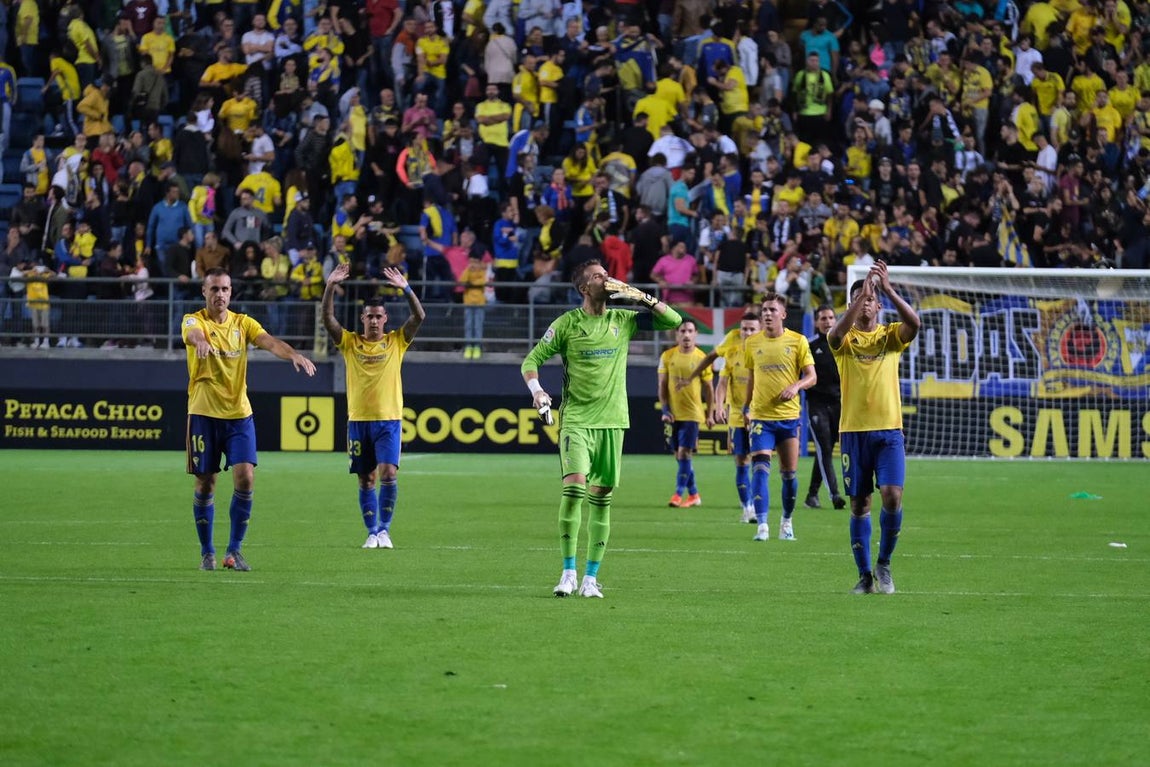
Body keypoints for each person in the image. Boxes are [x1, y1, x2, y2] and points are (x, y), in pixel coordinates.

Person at [522, 261, 683, 599]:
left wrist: (641, 297)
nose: (607, 279)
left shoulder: (623, 320)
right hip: (577, 419)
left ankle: (590, 579)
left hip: (613, 420)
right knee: (574, 489)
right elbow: (531, 361)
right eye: (599, 276)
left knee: (601, 499)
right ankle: (568, 572)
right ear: (585, 288)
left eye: (607, 274)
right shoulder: (567, 324)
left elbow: (674, 320)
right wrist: (538, 391)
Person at [183, 268, 317, 572]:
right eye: (214, 289)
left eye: (225, 289)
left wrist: (292, 354)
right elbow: (192, 334)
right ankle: (207, 552)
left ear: (231, 292)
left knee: (246, 477)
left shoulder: (243, 323)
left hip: (239, 415)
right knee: (206, 482)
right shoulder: (194, 320)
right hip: (203, 413)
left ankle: (234, 550)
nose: (220, 294)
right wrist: (199, 341)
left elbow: (269, 341)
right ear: (204, 292)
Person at [828, 261, 920, 594]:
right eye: (859, 299)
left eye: (870, 299)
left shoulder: (890, 336)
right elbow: (835, 334)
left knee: (892, 496)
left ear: (878, 306)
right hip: (853, 432)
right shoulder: (843, 340)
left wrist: (888, 289)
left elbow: (915, 323)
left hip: (889, 431)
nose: (865, 303)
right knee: (859, 504)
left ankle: (884, 564)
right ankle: (865, 576)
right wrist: (860, 295)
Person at [322, 262, 426, 550]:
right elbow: (327, 318)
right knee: (366, 479)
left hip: (389, 421)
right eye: (369, 316)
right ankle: (371, 531)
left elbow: (419, 316)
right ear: (363, 318)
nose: (374, 321)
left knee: (388, 473)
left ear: (385, 318)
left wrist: (406, 289)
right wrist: (330, 286)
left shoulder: (397, 341)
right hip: (358, 421)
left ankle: (385, 530)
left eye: (379, 316)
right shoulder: (349, 342)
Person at [743, 292, 816, 542]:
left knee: (789, 474)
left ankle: (786, 521)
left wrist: (796, 386)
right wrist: (745, 408)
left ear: (783, 314)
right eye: (764, 309)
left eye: (772, 310)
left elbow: (811, 376)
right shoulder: (752, 343)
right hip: (761, 417)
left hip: (788, 417)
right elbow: (751, 378)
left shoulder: (798, 341)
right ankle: (762, 525)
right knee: (760, 468)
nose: (767, 313)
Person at [711, 310, 762, 523]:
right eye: (744, 329)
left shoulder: (765, 353)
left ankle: (759, 506)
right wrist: (718, 406)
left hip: (760, 416)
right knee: (741, 460)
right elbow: (722, 384)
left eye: (752, 329)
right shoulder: (731, 354)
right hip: (737, 417)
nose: (748, 333)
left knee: (760, 461)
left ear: (759, 330)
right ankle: (747, 507)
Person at [658, 318, 713, 507]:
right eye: (682, 331)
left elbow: (709, 389)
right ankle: (694, 494)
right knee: (680, 456)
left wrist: (710, 413)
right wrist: (665, 410)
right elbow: (662, 385)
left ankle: (678, 494)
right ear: (677, 335)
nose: (686, 335)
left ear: (696, 334)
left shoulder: (701, 358)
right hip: (673, 414)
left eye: (690, 331)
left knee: (684, 453)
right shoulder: (667, 356)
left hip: (692, 413)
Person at [805, 304, 846, 511]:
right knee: (824, 448)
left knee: (826, 450)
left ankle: (812, 495)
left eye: (830, 317)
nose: (828, 321)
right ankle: (835, 494)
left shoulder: (843, 343)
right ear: (816, 322)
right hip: (817, 404)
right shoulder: (809, 345)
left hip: (840, 403)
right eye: (823, 318)